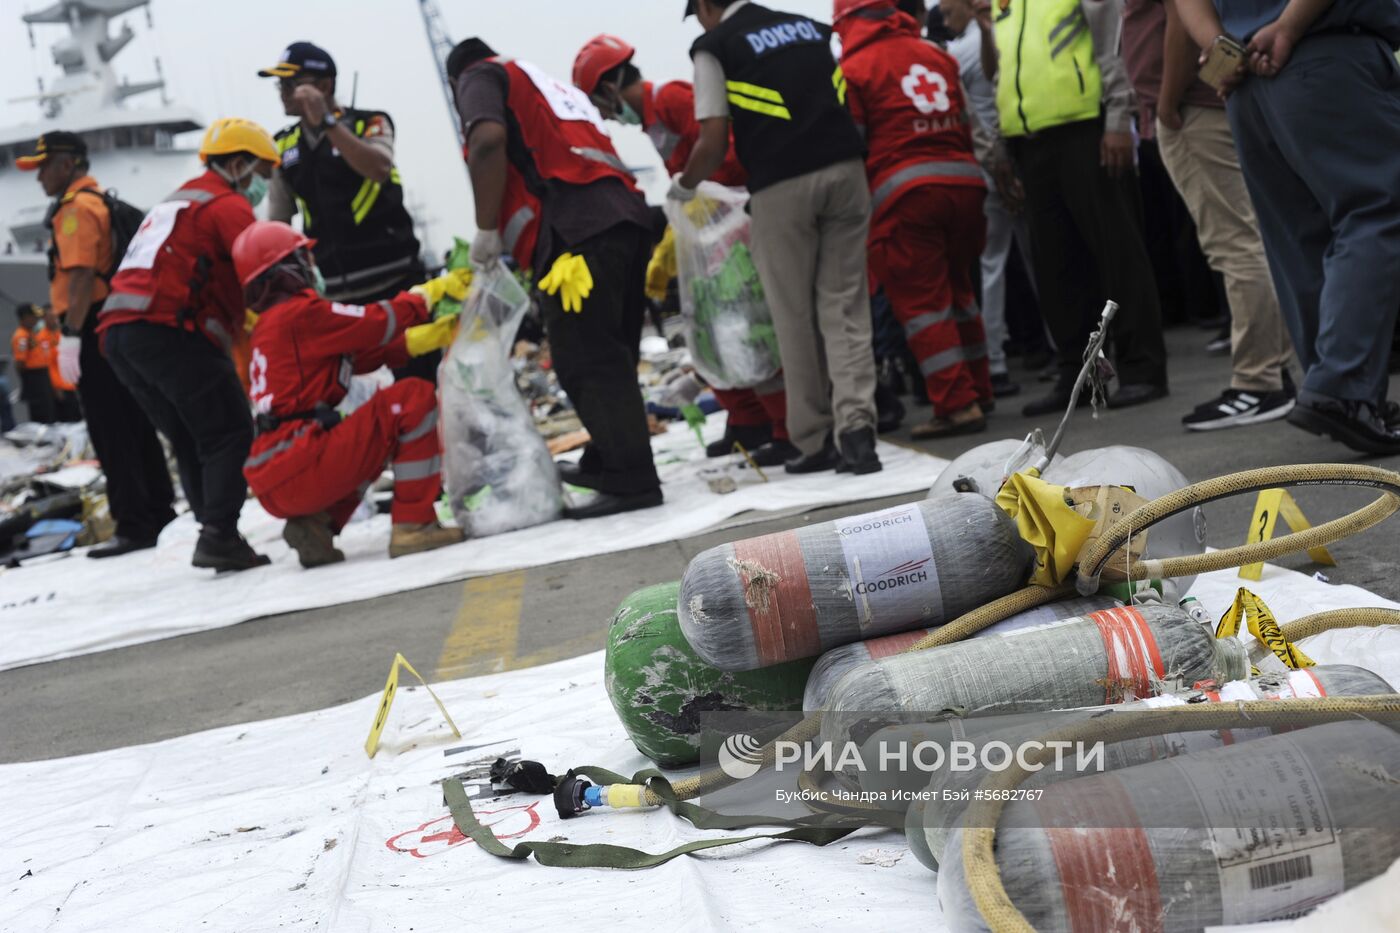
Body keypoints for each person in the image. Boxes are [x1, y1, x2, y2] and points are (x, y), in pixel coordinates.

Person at [448, 38, 663, 519]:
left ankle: (632, 480)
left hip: (578, 229)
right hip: (624, 217)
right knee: (613, 352)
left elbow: (486, 141)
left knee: (587, 359)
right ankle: (609, 459)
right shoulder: (537, 80)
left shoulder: (480, 75)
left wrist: (486, 230)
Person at [1174, 0, 1400, 454]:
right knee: (1377, 211)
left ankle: (1339, 386)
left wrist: (1218, 46)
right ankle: (1341, 387)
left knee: (1299, 237)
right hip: (1318, 52)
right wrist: (1289, 26)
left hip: (1246, 80)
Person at [677, 0, 881, 475]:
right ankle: (857, 435)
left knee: (792, 316)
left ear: (706, 5)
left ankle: (813, 441)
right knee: (845, 307)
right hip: (846, 173)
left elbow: (711, 139)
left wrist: (682, 189)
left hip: (781, 185)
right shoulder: (807, 29)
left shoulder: (714, 45)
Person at [572, 33, 796, 466]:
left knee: (753, 331)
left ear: (609, 88)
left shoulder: (673, 100)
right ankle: (747, 422)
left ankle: (782, 427)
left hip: (739, 227)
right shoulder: (652, 123)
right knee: (713, 331)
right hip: (717, 236)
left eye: (600, 105)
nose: (606, 116)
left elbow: (722, 157)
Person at [97, 118, 280, 572]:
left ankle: (215, 530)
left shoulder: (176, 203)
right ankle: (218, 534)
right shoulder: (225, 204)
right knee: (230, 430)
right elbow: (262, 267)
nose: (263, 187)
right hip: (167, 329)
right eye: (262, 174)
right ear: (238, 165)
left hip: (119, 333)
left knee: (190, 435)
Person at [232, 221, 464, 565]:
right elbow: (374, 322)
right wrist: (424, 296)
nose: (312, 267)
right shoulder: (300, 314)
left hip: (277, 473)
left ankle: (317, 525)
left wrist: (421, 341)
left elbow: (358, 355)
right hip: (300, 465)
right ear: (287, 270)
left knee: (374, 432)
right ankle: (415, 524)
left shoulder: (272, 327)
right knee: (410, 397)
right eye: (303, 259)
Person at [987, 0, 1170, 416]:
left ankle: (1143, 368)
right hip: (1030, 141)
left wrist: (1117, 118)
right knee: (1056, 269)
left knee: (1117, 253)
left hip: (1087, 129)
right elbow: (1004, 71)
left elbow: (1113, 44)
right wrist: (1000, 144)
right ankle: (1079, 377)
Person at [1129, 0, 1297, 431]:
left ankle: (1259, 383)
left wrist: (1168, 100)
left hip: (1194, 106)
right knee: (1256, 240)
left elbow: (1182, 19)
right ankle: (1275, 374)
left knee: (1235, 245)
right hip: (1211, 99)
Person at [834, 0, 992, 438]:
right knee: (960, 293)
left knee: (924, 308)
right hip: (964, 186)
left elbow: (856, 142)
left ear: (847, 21)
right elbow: (966, 122)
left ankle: (958, 406)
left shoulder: (853, 68)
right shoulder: (935, 55)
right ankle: (979, 389)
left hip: (905, 196)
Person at [18, 130, 176, 557]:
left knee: (110, 429)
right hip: (115, 324)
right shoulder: (101, 200)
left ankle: (134, 523)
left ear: (67, 164)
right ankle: (160, 511)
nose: (39, 178)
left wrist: (70, 335)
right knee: (136, 421)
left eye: (43, 166)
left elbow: (82, 275)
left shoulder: (75, 211)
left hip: (91, 328)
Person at [258, 42, 431, 379]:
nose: (283, 93)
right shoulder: (282, 145)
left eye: (291, 83)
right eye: (279, 84)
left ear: (324, 86)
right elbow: (278, 219)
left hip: (395, 283)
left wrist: (326, 123)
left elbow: (378, 167)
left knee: (419, 384)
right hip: (336, 296)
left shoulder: (371, 123)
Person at [939, 0, 1030, 400]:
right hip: (1017, 154)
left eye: (947, 11)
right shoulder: (1000, 36)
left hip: (989, 163)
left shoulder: (961, 52)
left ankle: (993, 359)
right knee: (1037, 257)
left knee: (991, 266)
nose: (945, 21)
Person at [10, 304, 55, 424]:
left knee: (48, 410)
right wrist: (30, 381)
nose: (37, 320)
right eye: (33, 317)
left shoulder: (31, 333)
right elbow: (20, 362)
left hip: (41, 376)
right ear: (25, 317)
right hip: (34, 378)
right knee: (41, 414)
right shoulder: (22, 337)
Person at [39, 308, 82, 422]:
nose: (54, 320)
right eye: (51, 317)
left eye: (55, 317)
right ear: (44, 319)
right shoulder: (42, 338)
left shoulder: (63, 333)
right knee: (68, 419)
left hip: (74, 382)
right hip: (60, 385)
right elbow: (48, 365)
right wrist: (56, 387)